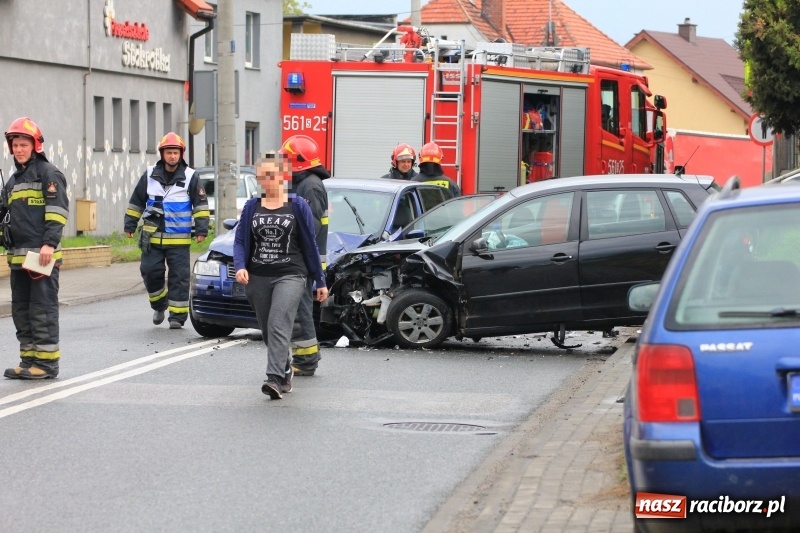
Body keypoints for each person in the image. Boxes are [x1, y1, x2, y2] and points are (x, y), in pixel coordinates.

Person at [233, 153, 328, 399]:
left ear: (283, 176)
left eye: (270, 176)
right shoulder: (251, 207)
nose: (265, 181)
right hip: (258, 276)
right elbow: (240, 241)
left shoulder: (297, 205)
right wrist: (241, 266)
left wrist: (320, 280)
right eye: (260, 177)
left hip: (291, 274)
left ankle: (274, 378)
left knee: (278, 322)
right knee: (267, 328)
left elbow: (310, 244)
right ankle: (284, 366)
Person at [2, 117, 69, 379]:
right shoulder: (12, 181)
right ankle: (28, 360)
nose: (19, 149)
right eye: (15, 145)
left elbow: (57, 211)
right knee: (22, 310)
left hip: (41, 256)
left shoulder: (48, 174)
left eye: (23, 144)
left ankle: (47, 364)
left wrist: (49, 244)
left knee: (42, 311)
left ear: (35, 145)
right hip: (19, 258)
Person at [123, 132, 209, 329]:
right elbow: (136, 202)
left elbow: (201, 205)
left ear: (181, 154)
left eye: (176, 153)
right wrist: (130, 225)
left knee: (179, 278)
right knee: (150, 272)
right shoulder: (150, 174)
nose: (172, 156)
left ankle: (177, 318)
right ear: (162, 154)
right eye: (169, 152)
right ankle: (159, 305)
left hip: (179, 241)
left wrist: (202, 229)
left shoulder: (190, 177)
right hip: (152, 238)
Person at [278, 135, 329, 377]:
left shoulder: (310, 185)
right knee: (295, 309)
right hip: (297, 258)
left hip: (302, 260)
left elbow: (311, 228)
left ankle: (306, 360)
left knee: (299, 310)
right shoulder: (301, 183)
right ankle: (305, 356)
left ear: (299, 161)